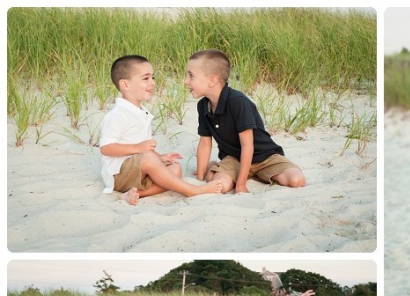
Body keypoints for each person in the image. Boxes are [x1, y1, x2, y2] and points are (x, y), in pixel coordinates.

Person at [100, 55, 223, 205]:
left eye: (153, 78)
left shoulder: (140, 111)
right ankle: (192, 190)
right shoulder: (118, 114)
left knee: (176, 169)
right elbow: (106, 148)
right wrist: (140, 149)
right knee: (150, 158)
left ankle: (135, 194)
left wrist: (160, 157)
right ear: (125, 85)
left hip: (137, 170)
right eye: (146, 79)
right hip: (118, 173)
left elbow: (142, 152)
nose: (152, 83)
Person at [186, 49, 307, 193]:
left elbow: (247, 144)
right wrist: (200, 179)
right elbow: (205, 143)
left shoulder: (238, 102)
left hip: (264, 156)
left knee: (297, 180)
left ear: (212, 80)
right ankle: (213, 168)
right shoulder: (203, 105)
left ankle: (244, 173)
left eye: (191, 76)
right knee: (220, 186)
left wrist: (241, 185)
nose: (185, 81)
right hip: (234, 159)